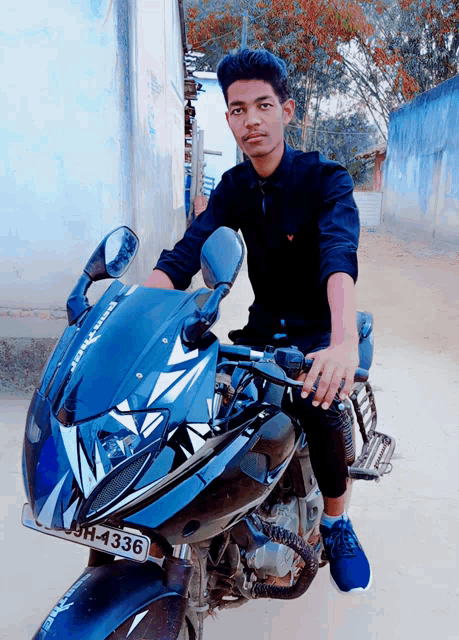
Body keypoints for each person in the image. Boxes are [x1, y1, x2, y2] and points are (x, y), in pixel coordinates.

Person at [144, 49, 371, 594]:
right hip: (261, 331)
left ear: (287, 110)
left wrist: (341, 342)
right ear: (228, 118)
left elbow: (339, 256)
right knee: (198, 408)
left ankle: (337, 522)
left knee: (320, 404)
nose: (252, 120)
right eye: (239, 109)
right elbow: (183, 257)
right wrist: (133, 315)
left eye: (263, 105)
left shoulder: (325, 180)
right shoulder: (233, 189)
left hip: (318, 332)